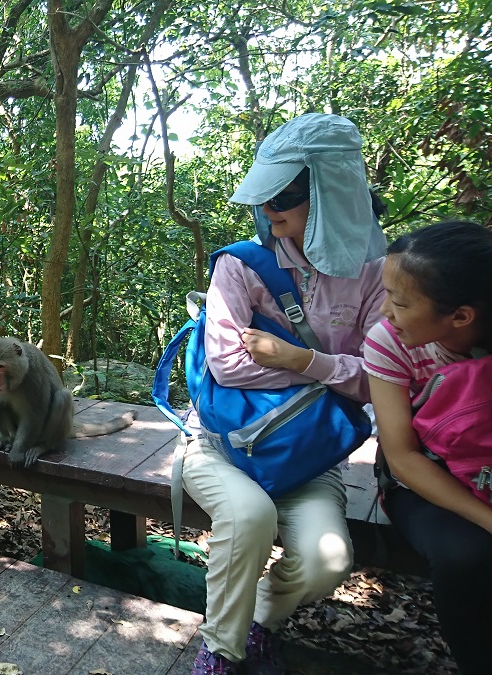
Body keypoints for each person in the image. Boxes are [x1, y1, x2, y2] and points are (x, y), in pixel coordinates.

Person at [182, 113, 388, 674]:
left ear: (328, 195)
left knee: (330, 561)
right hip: (222, 442)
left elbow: (381, 381)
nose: (270, 211)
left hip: (309, 454)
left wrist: (302, 359)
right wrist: (334, 372)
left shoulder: (376, 272)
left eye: (286, 198)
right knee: (249, 517)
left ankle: (259, 621)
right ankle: (219, 652)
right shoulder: (241, 264)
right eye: (265, 199)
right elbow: (227, 366)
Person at [363, 221, 492, 675]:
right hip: (422, 479)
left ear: (461, 316)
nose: (385, 313)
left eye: (399, 302)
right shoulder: (390, 344)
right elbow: (402, 456)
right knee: (467, 555)